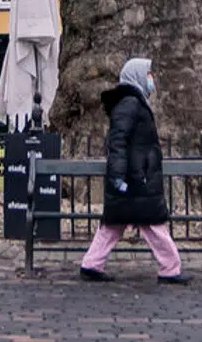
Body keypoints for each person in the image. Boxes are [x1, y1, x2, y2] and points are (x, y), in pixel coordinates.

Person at [79, 57, 185, 284]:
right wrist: (118, 176)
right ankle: (170, 268)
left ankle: (92, 263)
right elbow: (117, 142)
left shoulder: (133, 103)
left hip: (136, 176)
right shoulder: (131, 104)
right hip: (136, 178)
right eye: (148, 75)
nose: (152, 79)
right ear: (138, 77)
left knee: (114, 224)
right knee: (152, 224)